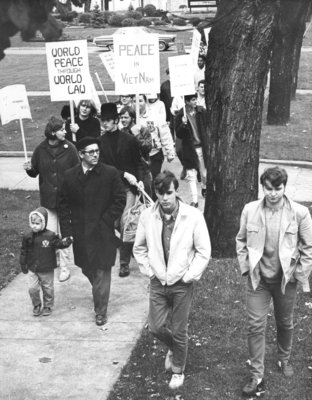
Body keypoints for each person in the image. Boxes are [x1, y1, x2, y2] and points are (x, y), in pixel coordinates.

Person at [236, 166, 312, 398]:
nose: (273, 194)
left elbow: (308, 248)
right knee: (255, 325)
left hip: (285, 280)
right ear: (263, 188)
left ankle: (283, 358)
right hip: (258, 280)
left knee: (285, 322)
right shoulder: (250, 210)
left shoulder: (300, 213)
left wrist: (299, 275)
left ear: (284, 187)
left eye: (277, 189)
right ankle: (256, 374)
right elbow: (240, 241)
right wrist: (247, 268)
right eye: (268, 189)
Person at [133, 170, 211, 390]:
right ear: (155, 193)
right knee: (156, 327)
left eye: (169, 193)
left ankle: (178, 370)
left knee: (179, 329)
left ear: (176, 191)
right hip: (158, 281)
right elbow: (139, 247)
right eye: (160, 193)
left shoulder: (192, 216)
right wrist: (149, 271)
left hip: (182, 283)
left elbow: (203, 251)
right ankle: (176, 348)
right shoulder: (148, 215)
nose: (165, 198)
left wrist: (190, 275)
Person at [59, 137, 126, 326]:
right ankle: (99, 293)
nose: (95, 154)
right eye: (91, 152)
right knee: (87, 268)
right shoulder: (69, 176)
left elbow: (120, 199)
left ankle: (100, 311)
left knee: (102, 271)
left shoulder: (109, 173)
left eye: (97, 151)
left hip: (103, 233)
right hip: (81, 234)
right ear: (81, 154)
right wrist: (67, 231)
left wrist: (106, 220)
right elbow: (63, 206)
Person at [23, 116, 80, 282]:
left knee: (65, 234)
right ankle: (49, 264)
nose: (65, 131)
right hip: (48, 200)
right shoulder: (40, 149)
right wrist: (29, 169)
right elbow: (35, 171)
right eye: (62, 129)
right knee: (49, 234)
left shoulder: (70, 148)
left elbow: (77, 172)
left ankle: (64, 268)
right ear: (53, 132)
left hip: (67, 200)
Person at [99, 103, 142, 278]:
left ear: (116, 120)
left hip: (128, 189)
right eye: (103, 121)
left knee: (126, 223)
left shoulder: (130, 140)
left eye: (108, 120)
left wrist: (140, 181)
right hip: (109, 189)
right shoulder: (99, 143)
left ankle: (124, 263)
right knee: (112, 223)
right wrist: (124, 173)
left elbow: (138, 163)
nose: (105, 124)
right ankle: (128, 245)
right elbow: (102, 167)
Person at [20, 207, 72, 317]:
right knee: (32, 288)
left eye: (37, 223)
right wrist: (23, 263)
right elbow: (23, 250)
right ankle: (36, 304)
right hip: (32, 267)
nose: (34, 225)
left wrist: (66, 242)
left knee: (48, 288)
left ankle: (48, 305)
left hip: (46, 268)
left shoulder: (50, 236)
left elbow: (59, 244)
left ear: (43, 223)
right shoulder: (27, 236)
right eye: (32, 223)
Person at [175, 94, 209, 207]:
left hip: (201, 146)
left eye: (196, 99)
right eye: (193, 100)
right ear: (187, 101)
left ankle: (204, 187)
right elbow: (178, 134)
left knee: (204, 173)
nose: (195, 102)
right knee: (191, 174)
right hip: (189, 148)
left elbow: (208, 125)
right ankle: (195, 200)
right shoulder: (181, 114)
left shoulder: (201, 111)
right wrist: (183, 124)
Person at [134, 94, 175, 183]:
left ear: (146, 102)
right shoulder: (130, 117)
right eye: (134, 101)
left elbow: (165, 134)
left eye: (140, 101)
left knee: (154, 181)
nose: (137, 104)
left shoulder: (155, 115)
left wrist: (170, 151)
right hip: (137, 157)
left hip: (154, 154)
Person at [119, 105, 153, 197]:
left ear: (132, 118)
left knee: (146, 197)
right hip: (129, 171)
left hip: (143, 169)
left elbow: (148, 148)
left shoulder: (143, 130)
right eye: (121, 117)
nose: (123, 120)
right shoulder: (121, 132)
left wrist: (137, 135)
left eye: (126, 117)